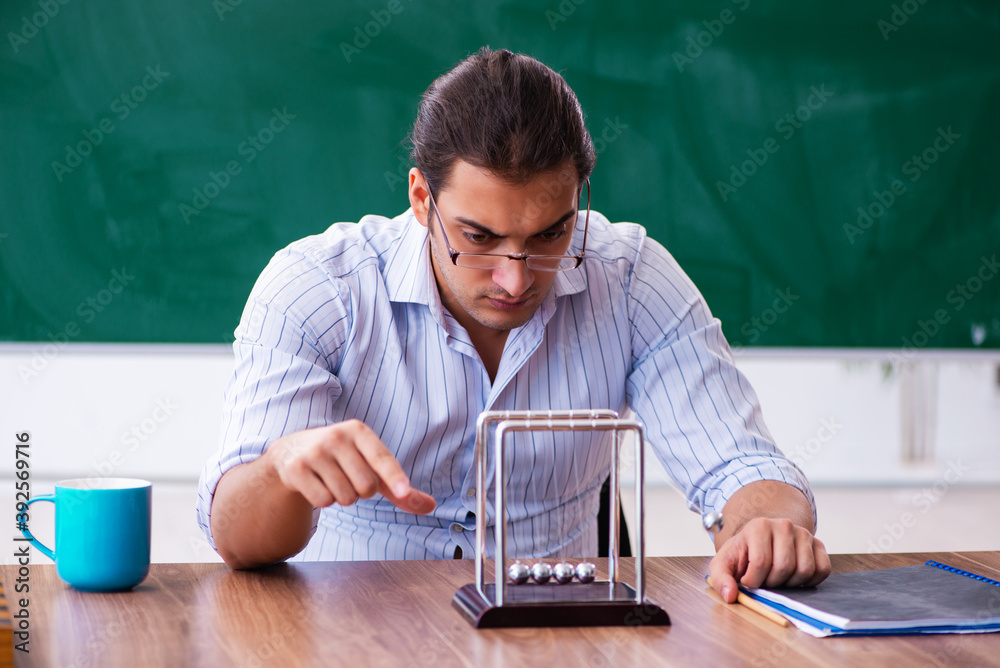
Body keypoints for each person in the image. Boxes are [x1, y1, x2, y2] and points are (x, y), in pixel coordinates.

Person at [196, 46, 830, 604]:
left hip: (557, 634)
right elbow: (238, 540)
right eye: (479, 237)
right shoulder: (315, 288)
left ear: (579, 197)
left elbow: (740, 468)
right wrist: (282, 471)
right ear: (422, 198)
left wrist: (765, 528)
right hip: (349, 630)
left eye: (551, 234)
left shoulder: (632, 278)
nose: (515, 278)